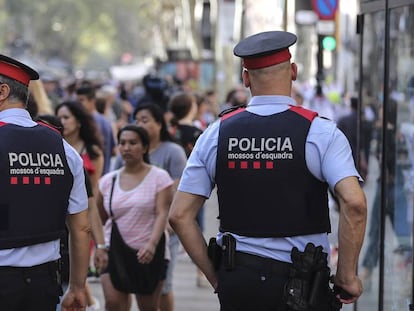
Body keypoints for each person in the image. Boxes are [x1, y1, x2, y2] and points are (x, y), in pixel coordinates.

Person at [169, 31, 367, 310]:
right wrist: (347, 275)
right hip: (303, 285)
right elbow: (355, 203)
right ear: (294, 72)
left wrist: (218, 278)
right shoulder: (320, 133)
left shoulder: (216, 134)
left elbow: (179, 216)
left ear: (246, 78)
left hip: (239, 282)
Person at [0, 54, 90, 310]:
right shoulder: (64, 149)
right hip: (45, 283)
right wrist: (77, 287)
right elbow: (81, 227)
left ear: (2, 91)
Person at [97, 125, 173, 311]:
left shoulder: (159, 177)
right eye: (122, 143)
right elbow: (98, 217)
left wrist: (152, 244)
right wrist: (99, 247)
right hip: (113, 250)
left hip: (147, 251)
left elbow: (163, 212)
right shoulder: (108, 181)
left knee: (148, 306)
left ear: (145, 147)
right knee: (113, 303)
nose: (126, 148)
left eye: (133, 143)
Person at [76, 84, 116, 175]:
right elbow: (113, 150)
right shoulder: (105, 121)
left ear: (92, 101)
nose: (78, 104)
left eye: (81, 100)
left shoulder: (91, 122)